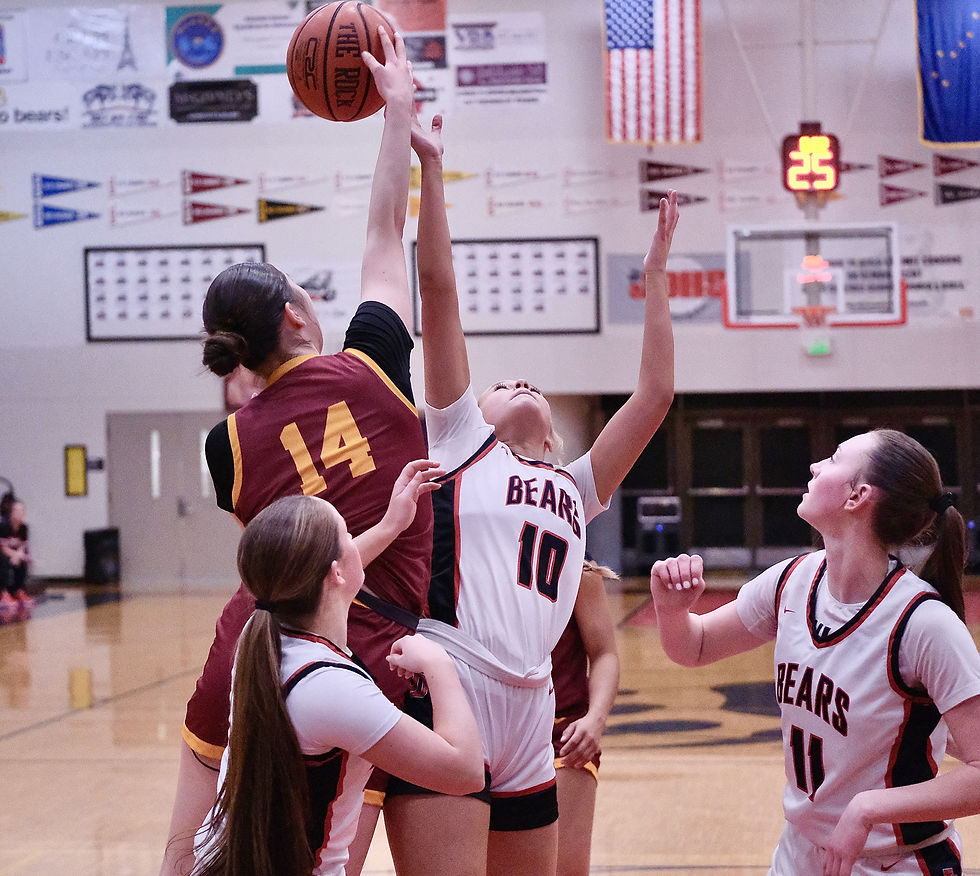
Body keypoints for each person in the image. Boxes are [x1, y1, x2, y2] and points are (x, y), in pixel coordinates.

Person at [160, 29, 434, 876]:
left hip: (248, 644)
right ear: (297, 318)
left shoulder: (223, 449)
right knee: (325, 854)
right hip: (357, 647)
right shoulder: (371, 362)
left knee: (189, 848)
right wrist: (397, 114)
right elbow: (387, 231)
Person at [385, 113, 677, 876]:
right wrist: (434, 172)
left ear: (553, 437)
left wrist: (657, 281)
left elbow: (653, 395)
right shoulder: (457, 441)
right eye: (503, 381)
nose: (517, 383)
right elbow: (439, 290)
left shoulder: (575, 486)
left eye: (532, 384)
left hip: (534, 703)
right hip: (452, 677)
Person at [650, 429, 980, 876]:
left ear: (858, 495)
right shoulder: (792, 580)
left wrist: (868, 809)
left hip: (896, 862)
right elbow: (697, 646)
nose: (815, 465)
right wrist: (672, 612)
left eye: (835, 457)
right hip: (801, 852)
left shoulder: (922, 622)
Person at [190, 494, 484, 876]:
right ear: (336, 572)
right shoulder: (330, 689)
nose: (356, 541)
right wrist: (439, 663)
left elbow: (309, 571)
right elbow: (464, 772)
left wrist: (390, 526)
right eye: (348, 533)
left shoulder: (260, 632)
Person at [551, 558, 621, 876]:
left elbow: (604, 652)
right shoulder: (461, 554)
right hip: (484, 730)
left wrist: (596, 717)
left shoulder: (578, 571)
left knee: (564, 868)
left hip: (562, 732)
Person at [0, 499, 34, 621]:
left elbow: (22, 546)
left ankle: (17, 590)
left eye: (21, 510)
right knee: (3, 561)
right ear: (11, 513)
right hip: (2, 554)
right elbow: (3, 548)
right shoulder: (4, 526)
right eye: (16, 510)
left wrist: (20, 555)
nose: (19, 513)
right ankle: (3, 593)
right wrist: (15, 555)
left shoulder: (24, 528)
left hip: (12, 554)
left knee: (23, 561)